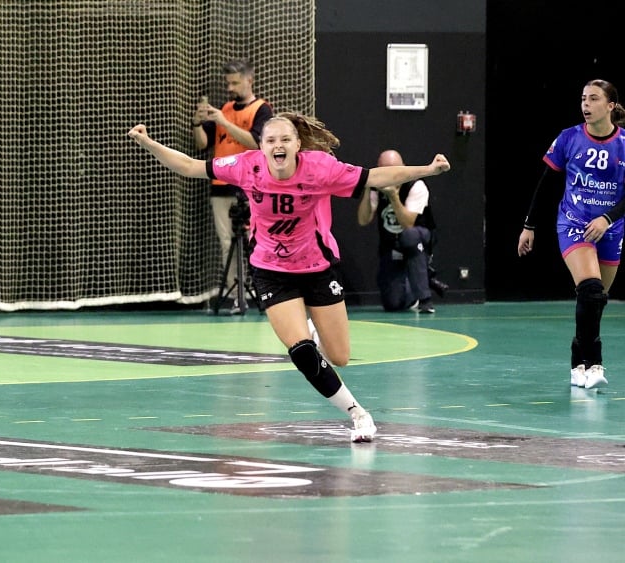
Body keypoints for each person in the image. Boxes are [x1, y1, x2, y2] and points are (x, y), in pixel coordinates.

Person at [128, 112, 451, 442]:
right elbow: (190, 166)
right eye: (270, 140)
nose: (277, 145)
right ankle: (358, 413)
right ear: (262, 146)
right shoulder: (246, 166)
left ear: (297, 144)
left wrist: (428, 170)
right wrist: (148, 142)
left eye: (285, 139)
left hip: (317, 267)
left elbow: (375, 176)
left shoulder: (320, 168)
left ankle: (312, 329)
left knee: (339, 356)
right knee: (301, 350)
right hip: (271, 271)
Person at [518, 79, 625, 390]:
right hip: (574, 222)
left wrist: (608, 218)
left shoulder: (623, 144)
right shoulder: (569, 138)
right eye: (583, 99)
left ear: (610, 106)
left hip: (610, 226)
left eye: (593, 99)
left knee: (595, 301)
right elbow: (546, 183)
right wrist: (529, 225)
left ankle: (577, 360)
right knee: (591, 289)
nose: (586, 105)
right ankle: (592, 364)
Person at [192, 60, 273, 309]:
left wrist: (226, 123)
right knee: (226, 243)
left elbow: (256, 142)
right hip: (221, 183)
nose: (231, 88)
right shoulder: (224, 108)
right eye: (228, 83)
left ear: (250, 80)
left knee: (253, 241)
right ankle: (235, 294)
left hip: (250, 185)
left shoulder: (261, 109)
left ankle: (263, 291)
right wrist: (197, 123)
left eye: (235, 83)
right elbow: (202, 144)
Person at [357, 149, 446, 313]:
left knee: (410, 236)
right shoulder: (378, 187)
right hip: (392, 245)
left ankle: (425, 299)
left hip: (419, 238)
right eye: (385, 171)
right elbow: (363, 220)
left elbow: (407, 224)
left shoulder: (416, 186)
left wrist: (393, 197)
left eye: (395, 169)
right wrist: (368, 188)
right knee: (392, 303)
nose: (391, 175)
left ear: (403, 168)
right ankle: (418, 285)